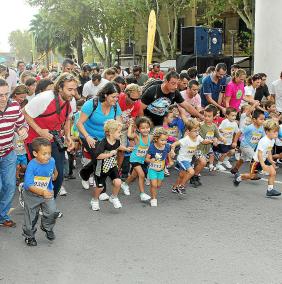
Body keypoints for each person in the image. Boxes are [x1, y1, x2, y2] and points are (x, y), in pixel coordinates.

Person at [23, 73, 76, 199]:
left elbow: (68, 118)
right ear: (59, 88)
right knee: (40, 174)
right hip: (36, 139)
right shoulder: (45, 98)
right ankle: (36, 203)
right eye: (69, 89)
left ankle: (49, 203)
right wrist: (40, 130)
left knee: (58, 174)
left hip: (54, 138)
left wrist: (68, 136)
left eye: (75, 89)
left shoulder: (70, 100)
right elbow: (24, 113)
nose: (73, 93)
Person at [77, 82, 122, 198]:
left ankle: (84, 173)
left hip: (106, 139)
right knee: (99, 158)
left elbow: (118, 124)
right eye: (113, 96)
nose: (116, 99)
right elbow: (79, 123)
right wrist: (87, 137)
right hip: (88, 136)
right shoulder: (91, 104)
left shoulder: (116, 106)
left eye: (118, 97)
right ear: (105, 95)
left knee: (100, 157)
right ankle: (102, 190)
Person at [0, 78, 28, 228]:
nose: (4, 98)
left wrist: (23, 129)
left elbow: (21, 123)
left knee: (9, 186)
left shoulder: (14, 106)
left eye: (6, 94)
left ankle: (2, 216)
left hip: (8, 153)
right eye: (0, 95)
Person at [22, 138, 59, 246]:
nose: (48, 156)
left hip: (47, 192)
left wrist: (55, 175)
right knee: (31, 217)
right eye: (44, 154)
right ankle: (29, 236)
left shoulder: (51, 160)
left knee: (52, 211)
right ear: (35, 153)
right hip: (32, 195)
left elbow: (54, 170)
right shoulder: (32, 166)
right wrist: (42, 192)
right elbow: (28, 185)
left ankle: (46, 226)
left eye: (49, 153)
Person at [90, 120, 131, 211]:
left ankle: (114, 197)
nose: (120, 134)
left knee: (118, 182)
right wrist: (109, 154)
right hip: (101, 168)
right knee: (100, 188)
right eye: (119, 132)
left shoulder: (116, 141)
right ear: (111, 133)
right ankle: (95, 200)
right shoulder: (103, 143)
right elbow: (97, 156)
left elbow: (118, 146)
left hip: (112, 165)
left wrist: (127, 149)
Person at [233, 119, 281, 197]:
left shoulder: (272, 140)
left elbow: (268, 151)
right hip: (257, 161)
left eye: (277, 132)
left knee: (273, 172)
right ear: (267, 132)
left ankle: (270, 190)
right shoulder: (264, 141)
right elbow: (259, 154)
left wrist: (271, 160)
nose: (276, 134)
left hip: (264, 160)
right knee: (251, 176)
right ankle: (239, 178)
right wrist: (263, 165)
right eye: (274, 132)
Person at [171, 119, 206, 194]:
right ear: (188, 131)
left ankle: (174, 188)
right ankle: (181, 186)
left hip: (189, 159)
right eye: (195, 131)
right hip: (182, 159)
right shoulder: (185, 139)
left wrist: (211, 140)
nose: (197, 132)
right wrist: (172, 150)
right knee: (191, 172)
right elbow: (174, 144)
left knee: (181, 175)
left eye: (198, 130)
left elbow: (203, 141)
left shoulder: (198, 137)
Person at [121, 117, 152, 201]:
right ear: (138, 129)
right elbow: (129, 135)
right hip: (134, 159)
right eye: (143, 128)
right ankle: (142, 194)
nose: (145, 130)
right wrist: (131, 125)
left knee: (133, 176)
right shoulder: (137, 137)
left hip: (141, 160)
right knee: (141, 175)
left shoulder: (150, 137)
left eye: (147, 127)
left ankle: (124, 184)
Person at [231, 109, 265, 175]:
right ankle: (252, 174)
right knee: (254, 158)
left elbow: (263, 138)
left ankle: (235, 169)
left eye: (264, 119)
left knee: (242, 159)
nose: (263, 121)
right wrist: (235, 142)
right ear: (254, 120)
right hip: (245, 145)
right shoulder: (250, 127)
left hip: (252, 147)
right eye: (261, 119)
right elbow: (239, 133)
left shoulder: (262, 128)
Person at [145, 128, 173, 207]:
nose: (164, 142)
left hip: (161, 170)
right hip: (152, 169)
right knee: (153, 185)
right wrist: (150, 160)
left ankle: (151, 183)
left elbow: (168, 154)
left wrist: (170, 160)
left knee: (158, 185)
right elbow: (146, 159)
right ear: (156, 139)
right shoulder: (152, 147)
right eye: (162, 140)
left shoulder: (167, 146)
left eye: (166, 140)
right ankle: (153, 199)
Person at [197, 105, 226, 172]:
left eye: (209, 116)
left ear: (214, 117)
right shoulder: (200, 125)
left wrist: (222, 139)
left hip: (208, 146)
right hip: (199, 147)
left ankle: (211, 165)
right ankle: (195, 171)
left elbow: (218, 135)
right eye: (205, 115)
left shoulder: (214, 126)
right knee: (199, 161)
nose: (206, 118)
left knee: (211, 154)